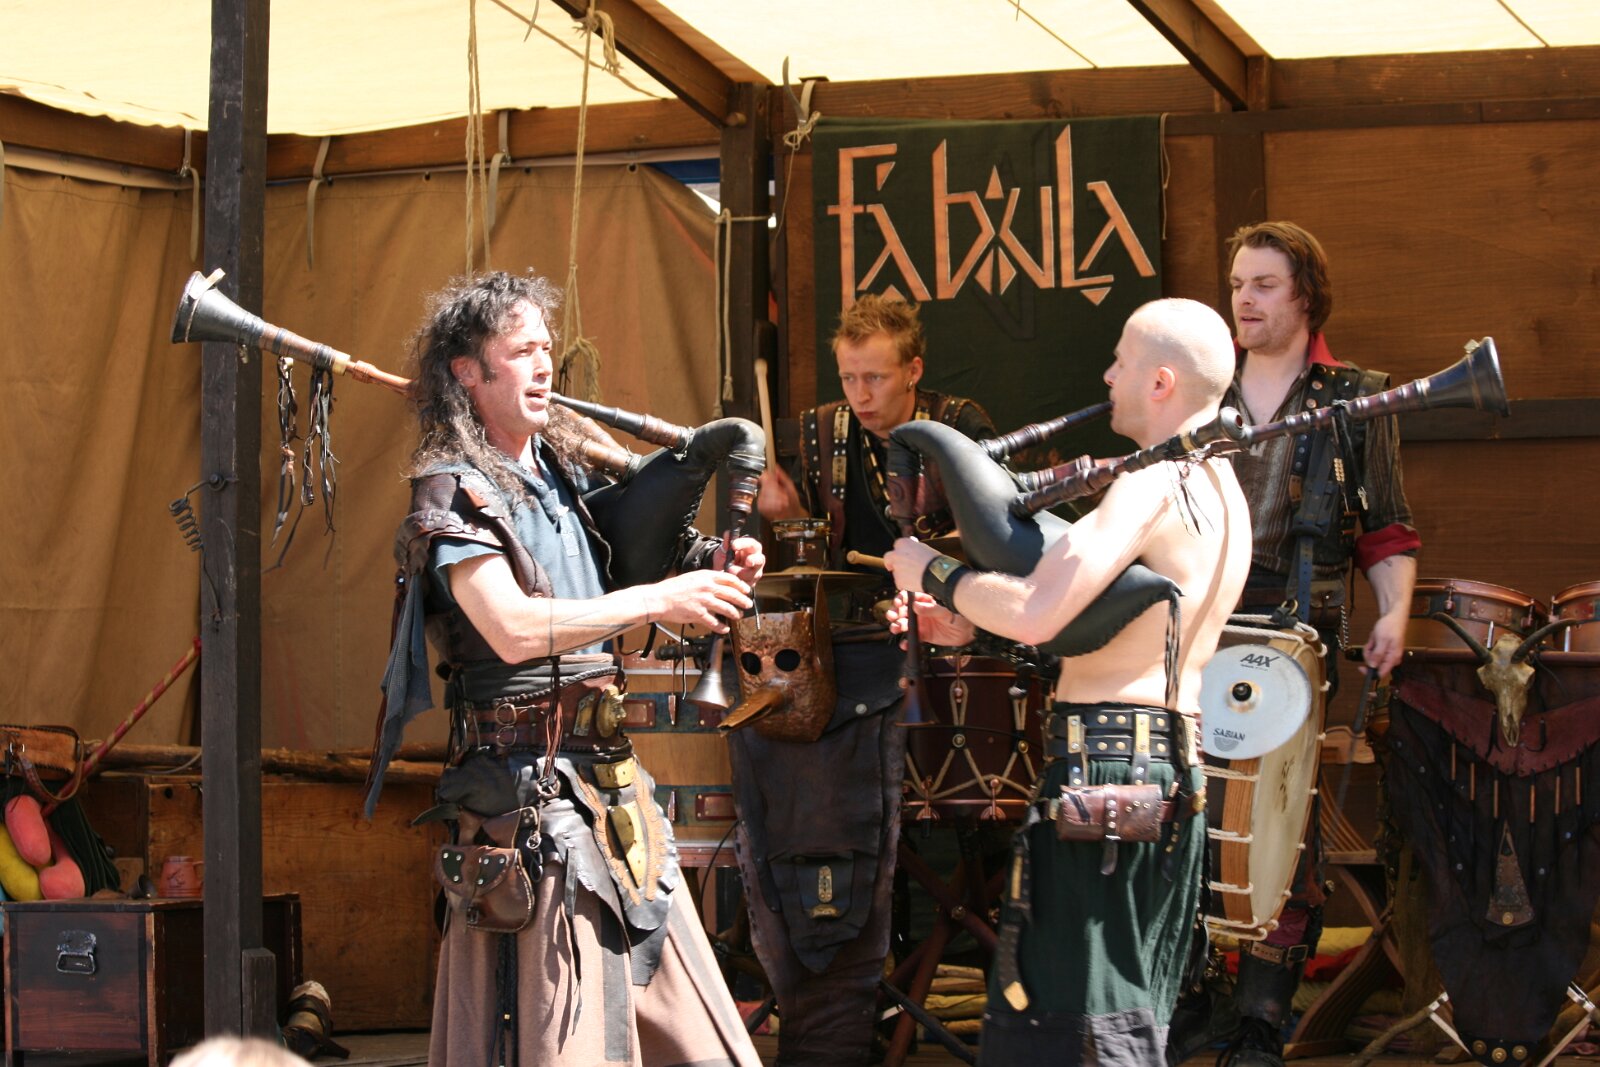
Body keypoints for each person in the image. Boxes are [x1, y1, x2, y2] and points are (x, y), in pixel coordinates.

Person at [367, 270, 764, 1067]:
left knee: (697, 1039)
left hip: (612, 790)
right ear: (468, 371)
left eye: (547, 347)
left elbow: (628, 566)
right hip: (526, 799)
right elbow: (512, 629)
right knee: (565, 1035)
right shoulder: (452, 488)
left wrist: (712, 569)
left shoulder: (561, 473)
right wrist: (658, 598)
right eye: (521, 351)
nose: (544, 364)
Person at [883, 297, 1252, 1065]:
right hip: (1167, 766)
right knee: (1119, 1011)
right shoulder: (1225, 492)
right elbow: (1096, 626)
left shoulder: (1153, 482)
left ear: (1160, 381)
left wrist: (935, 571)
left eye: (1120, 361)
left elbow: (1039, 611)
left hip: (1106, 771)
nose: (1107, 375)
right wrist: (968, 620)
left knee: (1075, 1020)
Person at [1179, 221, 1420, 1066]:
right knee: (1188, 820)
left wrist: (1393, 614)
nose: (1243, 299)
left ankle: (1260, 1017)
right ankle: (1196, 1000)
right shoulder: (1201, 394)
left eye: (1264, 284)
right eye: (1237, 283)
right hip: (1196, 635)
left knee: (1278, 829)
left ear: (1306, 296)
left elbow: (1387, 531)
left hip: (1291, 643)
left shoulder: (1356, 399)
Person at [734, 293, 994, 1066]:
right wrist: (785, 516)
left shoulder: (960, 424)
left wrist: (946, 588)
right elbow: (807, 561)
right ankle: (851, 982)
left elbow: (1000, 537)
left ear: (914, 369)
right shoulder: (822, 433)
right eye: (849, 377)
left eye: (875, 377)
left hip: (945, 646)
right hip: (850, 666)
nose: (860, 394)